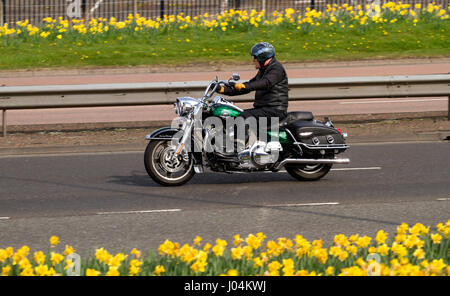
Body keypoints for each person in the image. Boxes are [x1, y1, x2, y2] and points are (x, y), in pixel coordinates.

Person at [217, 42, 288, 142]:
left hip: (274, 111)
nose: (253, 60)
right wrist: (224, 90)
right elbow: (249, 86)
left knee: (243, 117)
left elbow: (265, 83)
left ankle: (238, 148)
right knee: (234, 115)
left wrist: (244, 86)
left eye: (255, 57)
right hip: (264, 109)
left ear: (262, 57)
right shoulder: (263, 70)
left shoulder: (276, 69)